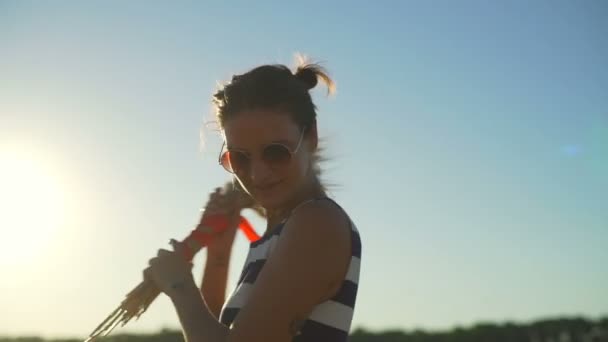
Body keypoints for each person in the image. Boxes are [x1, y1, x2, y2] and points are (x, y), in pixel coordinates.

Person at [143, 56, 362, 341]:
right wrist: (219, 254)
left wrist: (179, 285)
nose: (257, 174)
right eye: (240, 158)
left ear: (311, 137)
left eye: (276, 152)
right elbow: (219, 334)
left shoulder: (317, 223)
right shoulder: (283, 234)